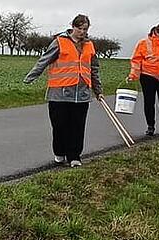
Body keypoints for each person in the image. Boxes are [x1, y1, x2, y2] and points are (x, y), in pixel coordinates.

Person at [23, 14, 103, 167]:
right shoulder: (59, 42)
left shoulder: (89, 45)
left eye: (85, 29)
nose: (82, 32)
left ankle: (74, 157)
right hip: (59, 93)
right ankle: (59, 152)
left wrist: (98, 90)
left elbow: (94, 69)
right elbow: (44, 60)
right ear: (73, 27)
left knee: (78, 126)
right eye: (79, 28)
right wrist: (31, 77)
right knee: (59, 126)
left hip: (82, 93)